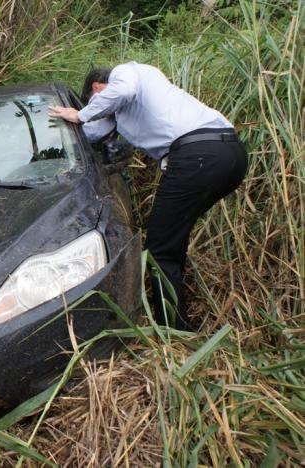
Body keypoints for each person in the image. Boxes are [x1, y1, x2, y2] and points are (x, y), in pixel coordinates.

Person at [49, 62, 248, 330]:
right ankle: (179, 320)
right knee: (171, 241)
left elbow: (118, 94)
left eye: (94, 101)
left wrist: (81, 114)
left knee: (160, 249)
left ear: (97, 88)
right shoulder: (132, 106)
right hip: (229, 155)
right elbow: (93, 133)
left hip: (198, 155)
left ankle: (171, 331)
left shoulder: (127, 73)